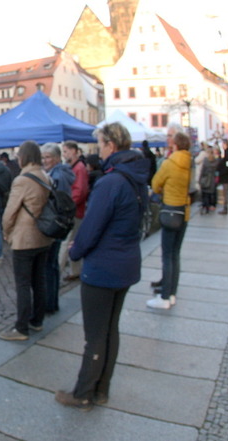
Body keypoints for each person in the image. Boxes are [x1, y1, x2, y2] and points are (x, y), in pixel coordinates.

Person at [55, 122, 148, 410]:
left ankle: (83, 392)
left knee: (95, 334)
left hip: (104, 265)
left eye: (100, 144)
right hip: (126, 262)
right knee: (110, 330)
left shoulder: (111, 181)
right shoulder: (135, 177)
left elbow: (92, 226)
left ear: (110, 145)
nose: (99, 150)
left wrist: (76, 249)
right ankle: (101, 388)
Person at [0, 141, 53, 341]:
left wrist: (7, 232)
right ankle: (36, 321)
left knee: (23, 284)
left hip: (24, 238)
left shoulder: (23, 180)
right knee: (39, 281)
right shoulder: (45, 175)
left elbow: (10, 212)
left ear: (24, 156)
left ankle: (21, 327)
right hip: (43, 236)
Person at [148, 129, 192, 309]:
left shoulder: (170, 162)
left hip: (170, 211)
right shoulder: (188, 161)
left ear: (175, 144)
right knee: (175, 255)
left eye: (169, 138)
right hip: (185, 211)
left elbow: (155, 184)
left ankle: (164, 298)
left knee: (167, 255)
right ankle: (171, 292)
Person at [41, 143, 74, 314]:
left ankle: (49, 303)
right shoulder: (63, 172)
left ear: (56, 158)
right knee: (52, 265)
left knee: (49, 265)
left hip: (55, 223)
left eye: (48, 157)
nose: (45, 160)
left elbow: (56, 202)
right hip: (61, 223)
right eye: (43, 157)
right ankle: (52, 301)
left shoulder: (57, 175)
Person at [60, 141, 89, 282]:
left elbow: (80, 191)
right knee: (72, 241)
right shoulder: (76, 167)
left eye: (65, 151)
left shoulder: (79, 168)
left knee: (66, 243)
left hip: (74, 211)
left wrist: (69, 205)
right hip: (76, 210)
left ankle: (57, 272)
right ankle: (75, 270)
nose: (64, 155)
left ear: (73, 151)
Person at [199, 147, 218, 214]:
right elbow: (217, 171)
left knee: (205, 194)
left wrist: (200, 179)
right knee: (211, 194)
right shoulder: (216, 161)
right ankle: (210, 205)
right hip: (212, 180)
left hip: (205, 179)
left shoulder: (205, 160)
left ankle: (205, 206)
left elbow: (202, 171)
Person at [217, 139, 228, 215]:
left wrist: (222, 172)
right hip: (226, 176)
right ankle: (225, 208)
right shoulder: (226, 153)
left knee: (225, 193)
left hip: (226, 177)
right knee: (225, 193)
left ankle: (225, 208)